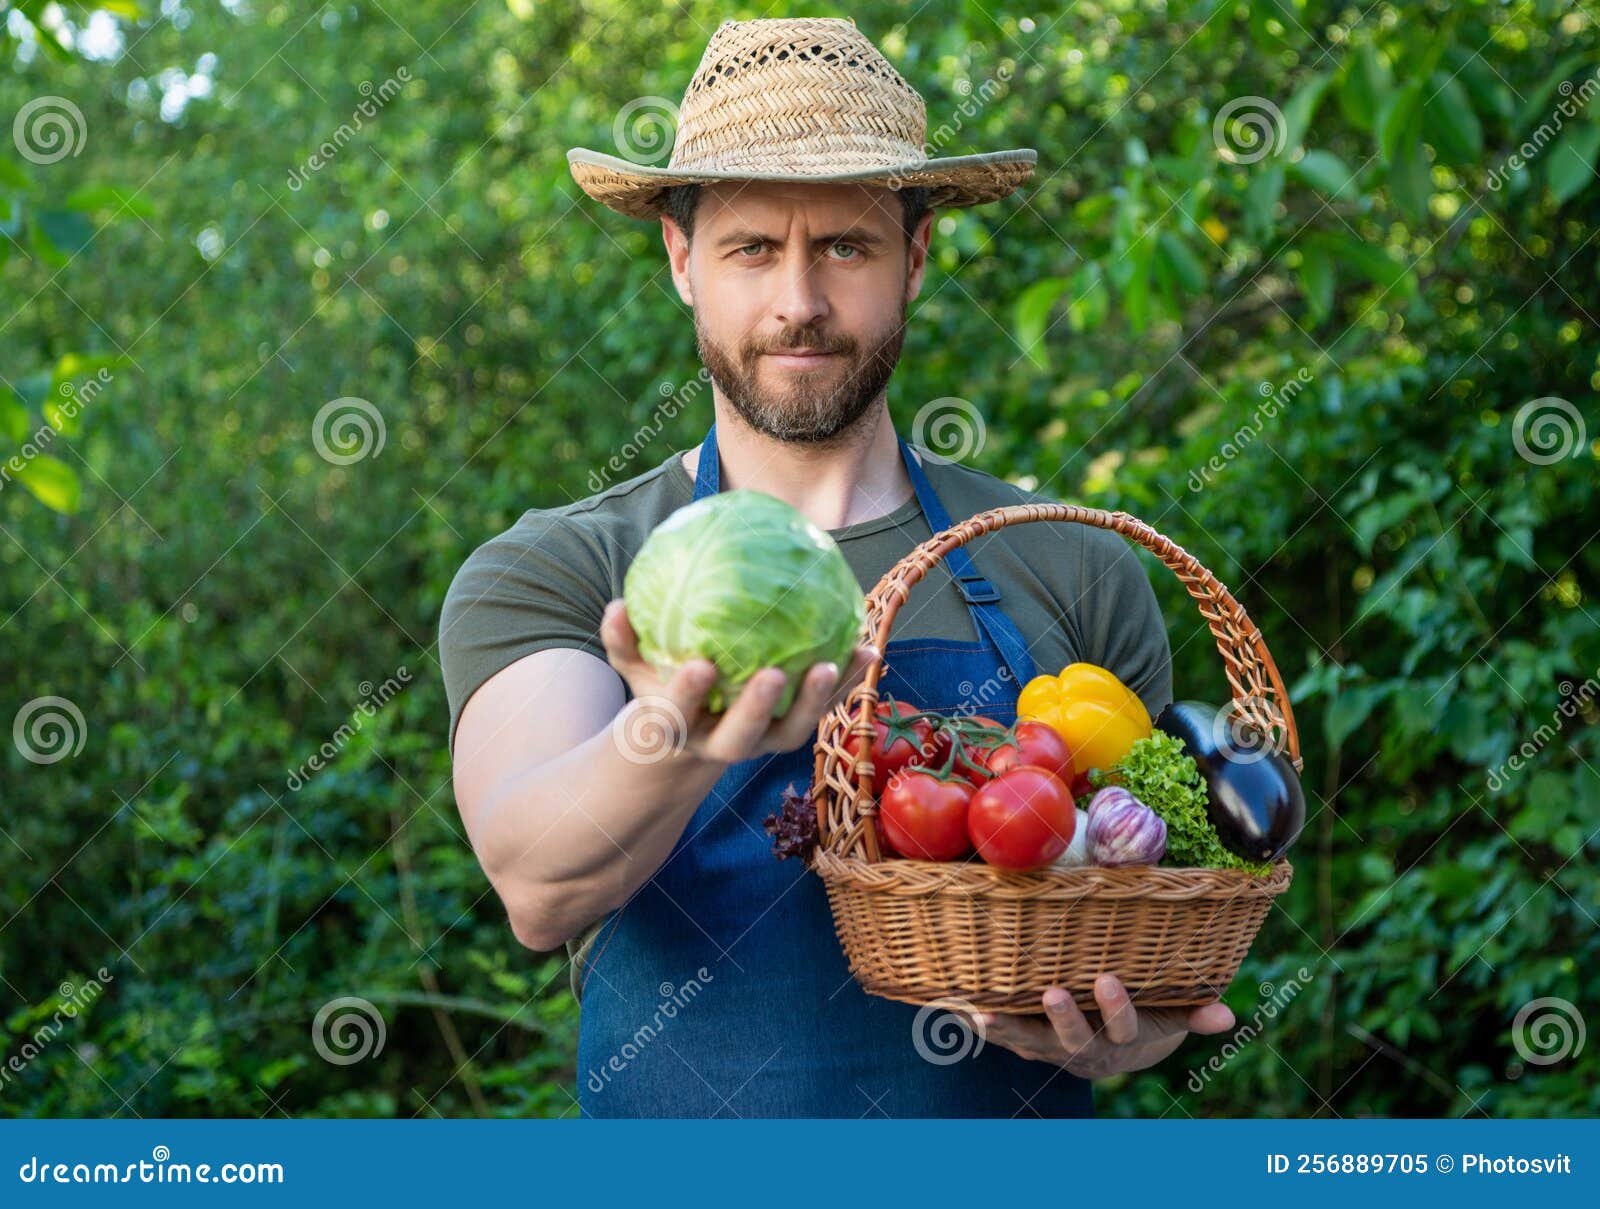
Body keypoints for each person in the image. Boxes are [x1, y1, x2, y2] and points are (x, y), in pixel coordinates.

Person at [439, 16, 1235, 1118]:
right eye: (752, 248)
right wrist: (674, 731)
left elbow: (1143, 901)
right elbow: (536, 880)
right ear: (681, 261)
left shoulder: (1072, 560)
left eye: (846, 248)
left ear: (914, 259)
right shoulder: (566, 568)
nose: (798, 303)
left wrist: (1124, 1037)